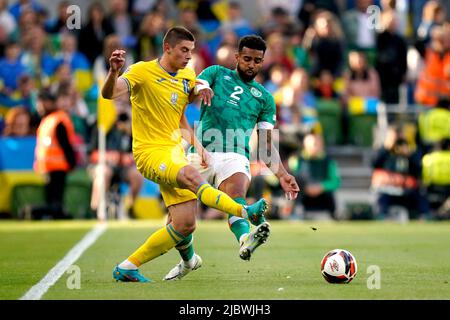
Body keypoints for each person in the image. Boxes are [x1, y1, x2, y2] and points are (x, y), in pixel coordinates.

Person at [102, 26, 269, 283]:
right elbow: (110, 93)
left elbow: (179, 119)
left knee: (184, 224)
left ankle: (133, 266)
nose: (189, 56)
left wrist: (200, 148)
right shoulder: (141, 71)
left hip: (175, 152)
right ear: (167, 47)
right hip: (150, 154)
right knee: (193, 176)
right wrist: (114, 72)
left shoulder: (186, 76)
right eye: (184, 50)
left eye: (191, 50)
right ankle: (245, 212)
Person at [163, 35, 299, 281]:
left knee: (236, 194)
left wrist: (282, 174)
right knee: (177, 222)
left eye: (257, 61)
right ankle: (188, 260)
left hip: (235, 155)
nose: (251, 65)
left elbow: (267, 145)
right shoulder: (215, 72)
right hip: (199, 153)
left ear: (263, 62)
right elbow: (195, 86)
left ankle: (245, 239)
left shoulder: (266, 99)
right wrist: (201, 87)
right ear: (237, 57)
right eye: (247, 58)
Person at [31, 88, 76, 219]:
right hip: (55, 166)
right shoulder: (55, 119)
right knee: (54, 200)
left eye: (42, 102)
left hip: (52, 166)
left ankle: (51, 213)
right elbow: (65, 145)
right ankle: (35, 212)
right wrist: (71, 163)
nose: (39, 106)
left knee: (53, 199)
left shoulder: (51, 120)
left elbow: (64, 144)